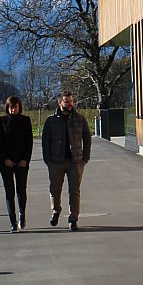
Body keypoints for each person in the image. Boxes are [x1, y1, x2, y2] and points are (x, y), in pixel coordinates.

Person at [41, 90, 92, 230]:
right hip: (56, 161)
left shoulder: (79, 118)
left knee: (74, 191)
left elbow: (87, 138)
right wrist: (47, 159)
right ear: (59, 103)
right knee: (55, 190)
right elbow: (45, 141)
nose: (69, 104)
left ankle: (73, 218)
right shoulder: (51, 120)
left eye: (71, 101)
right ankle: (56, 210)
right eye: (66, 101)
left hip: (75, 161)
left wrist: (85, 158)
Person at [0, 96, 33, 232]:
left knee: (21, 190)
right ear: (7, 107)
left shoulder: (25, 121)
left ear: (19, 107)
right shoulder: (2, 121)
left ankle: (22, 214)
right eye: (11, 107)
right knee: (9, 192)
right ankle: (13, 221)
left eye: (16, 107)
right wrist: (5, 159)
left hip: (21, 161)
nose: (13, 109)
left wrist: (25, 159)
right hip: (6, 162)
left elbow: (29, 142)